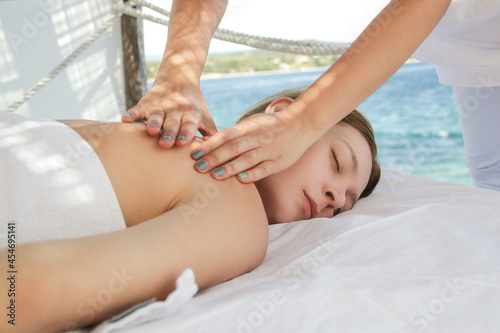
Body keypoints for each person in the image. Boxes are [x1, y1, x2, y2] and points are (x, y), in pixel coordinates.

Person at [0, 87, 380, 332]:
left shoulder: (172, 138)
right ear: (283, 113)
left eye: (345, 203)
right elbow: (38, 288)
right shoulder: (235, 209)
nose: (334, 197)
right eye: (335, 160)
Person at [124, 0, 500, 191]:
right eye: (336, 163)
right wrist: (178, 75)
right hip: (470, 42)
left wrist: (301, 123)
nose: (335, 202)